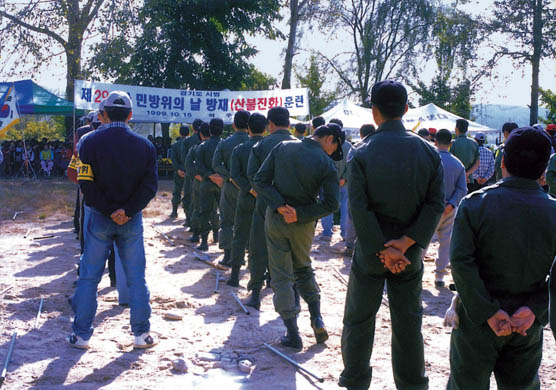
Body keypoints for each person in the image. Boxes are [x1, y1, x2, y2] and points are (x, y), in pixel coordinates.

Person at [339, 80, 445, 390]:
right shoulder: (428, 151)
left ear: (374, 111)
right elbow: (435, 203)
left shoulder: (361, 152)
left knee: (359, 320)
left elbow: (358, 207)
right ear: (407, 110)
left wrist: (381, 249)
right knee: (408, 324)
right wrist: (408, 243)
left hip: (371, 253)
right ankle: (412, 385)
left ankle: (355, 381)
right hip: (409, 254)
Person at [447, 127, 556, 390]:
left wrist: (489, 312)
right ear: (544, 172)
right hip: (525, 322)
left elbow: (461, 263)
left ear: (503, 162)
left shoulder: (474, 204)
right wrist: (534, 310)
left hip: (476, 318)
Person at [68, 91, 158, 350]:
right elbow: (150, 186)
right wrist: (127, 210)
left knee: (89, 277)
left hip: (98, 217)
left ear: (103, 114)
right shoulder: (145, 146)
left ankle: (82, 335)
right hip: (131, 219)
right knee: (136, 278)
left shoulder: (88, 142)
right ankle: (141, 334)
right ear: (130, 115)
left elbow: (85, 181)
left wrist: (108, 210)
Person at [253, 124, 343, 350]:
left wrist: (281, 206)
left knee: (281, 275)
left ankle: (293, 334)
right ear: (329, 138)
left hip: (276, 219)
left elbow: (260, 180)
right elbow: (331, 204)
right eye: (335, 146)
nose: (333, 152)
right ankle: (317, 317)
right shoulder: (326, 164)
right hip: (303, 224)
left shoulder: (283, 148)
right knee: (303, 268)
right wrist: (300, 214)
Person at [245, 107, 296, 310]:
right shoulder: (301, 145)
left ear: (270, 124)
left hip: (265, 203)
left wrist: (263, 193)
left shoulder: (260, 145)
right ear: (289, 123)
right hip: (294, 208)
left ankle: (256, 293)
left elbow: (252, 175)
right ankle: (294, 295)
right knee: (293, 252)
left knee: (258, 247)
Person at [227, 113, 267, 286]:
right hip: (267, 199)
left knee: (240, 234)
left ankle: (235, 276)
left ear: (248, 128)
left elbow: (234, 175)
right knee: (266, 237)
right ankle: (269, 277)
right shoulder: (273, 147)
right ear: (265, 128)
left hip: (245, 197)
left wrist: (249, 189)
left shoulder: (240, 149)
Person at [430, 129, 467, 288]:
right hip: (450, 209)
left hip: (430, 207)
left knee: (422, 241)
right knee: (446, 243)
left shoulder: (430, 160)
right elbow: (462, 189)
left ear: (435, 142)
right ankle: (440, 277)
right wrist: (451, 203)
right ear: (451, 144)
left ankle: (414, 271)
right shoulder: (458, 163)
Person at [212, 111, 250, 266]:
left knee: (227, 221)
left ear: (234, 125)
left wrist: (229, 176)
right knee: (248, 222)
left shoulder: (225, 143)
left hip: (229, 187)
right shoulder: (254, 143)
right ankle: (244, 257)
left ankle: (228, 256)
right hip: (250, 189)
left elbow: (216, 164)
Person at [343, 123, 377, 257]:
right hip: (374, 189)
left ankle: (350, 246)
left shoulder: (356, 148)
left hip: (357, 189)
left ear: (361, 134)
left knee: (352, 218)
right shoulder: (379, 147)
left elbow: (350, 168)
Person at [319, 122, 352, 242]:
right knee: (345, 209)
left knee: (327, 207)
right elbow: (352, 166)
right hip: (344, 183)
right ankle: (344, 234)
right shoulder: (348, 146)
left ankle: (327, 233)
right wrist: (344, 178)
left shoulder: (323, 146)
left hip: (327, 182)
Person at [195, 118, 224, 251]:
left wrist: (210, 176)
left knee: (205, 212)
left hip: (206, 183)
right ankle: (219, 237)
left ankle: (204, 242)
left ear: (210, 130)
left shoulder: (202, 146)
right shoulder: (225, 144)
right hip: (222, 184)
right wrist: (220, 177)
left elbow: (199, 166)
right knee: (223, 212)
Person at [185, 124, 213, 244]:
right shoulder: (218, 146)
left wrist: (197, 176)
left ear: (200, 134)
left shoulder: (196, 148)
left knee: (197, 207)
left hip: (199, 182)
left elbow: (189, 164)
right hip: (215, 182)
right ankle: (216, 234)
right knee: (213, 208)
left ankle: (196, 234)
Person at [181, 119, 203, 228]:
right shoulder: (204, 140)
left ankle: (188, 219)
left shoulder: (186, 141)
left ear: (192, 128)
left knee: (188, 196)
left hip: (190, 174)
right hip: (203, 175)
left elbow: (184, 158)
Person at [450, 118, 480, 190]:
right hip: (469, 179)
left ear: (456, 129)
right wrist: (467, 174)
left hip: (456, 179)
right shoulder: (474, 143)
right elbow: (477, 163)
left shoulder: (453, 143)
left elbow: (451, 162)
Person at [169, 126, 188, 218]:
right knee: (190, 193)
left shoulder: (175, 145)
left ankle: (174, 212)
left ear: (180, 134)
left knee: (177, 191)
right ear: (188, 133)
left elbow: (173, 159)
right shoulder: (191, 143)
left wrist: (178, 170)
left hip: (179, 171)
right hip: (190, 172)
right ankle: (188, 215)